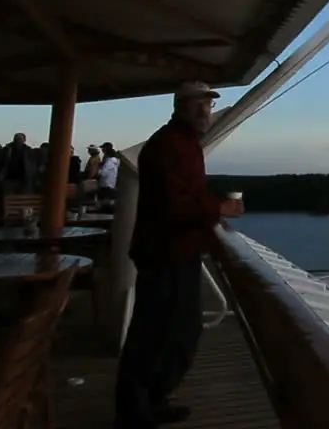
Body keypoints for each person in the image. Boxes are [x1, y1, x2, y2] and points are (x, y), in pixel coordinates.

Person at [115, 81, 243, 428]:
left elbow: (187, 195)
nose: (206, 111)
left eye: (209, 104)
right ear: (180, 106)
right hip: (164, 252)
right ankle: (134, 412)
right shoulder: (168, 145)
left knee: (178, 333)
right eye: (199, 104)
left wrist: (212, 208)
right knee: (154, 335)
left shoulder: (185, 144)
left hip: (179, 250)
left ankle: (152, 400)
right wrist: (221, 208)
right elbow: (174, 204)